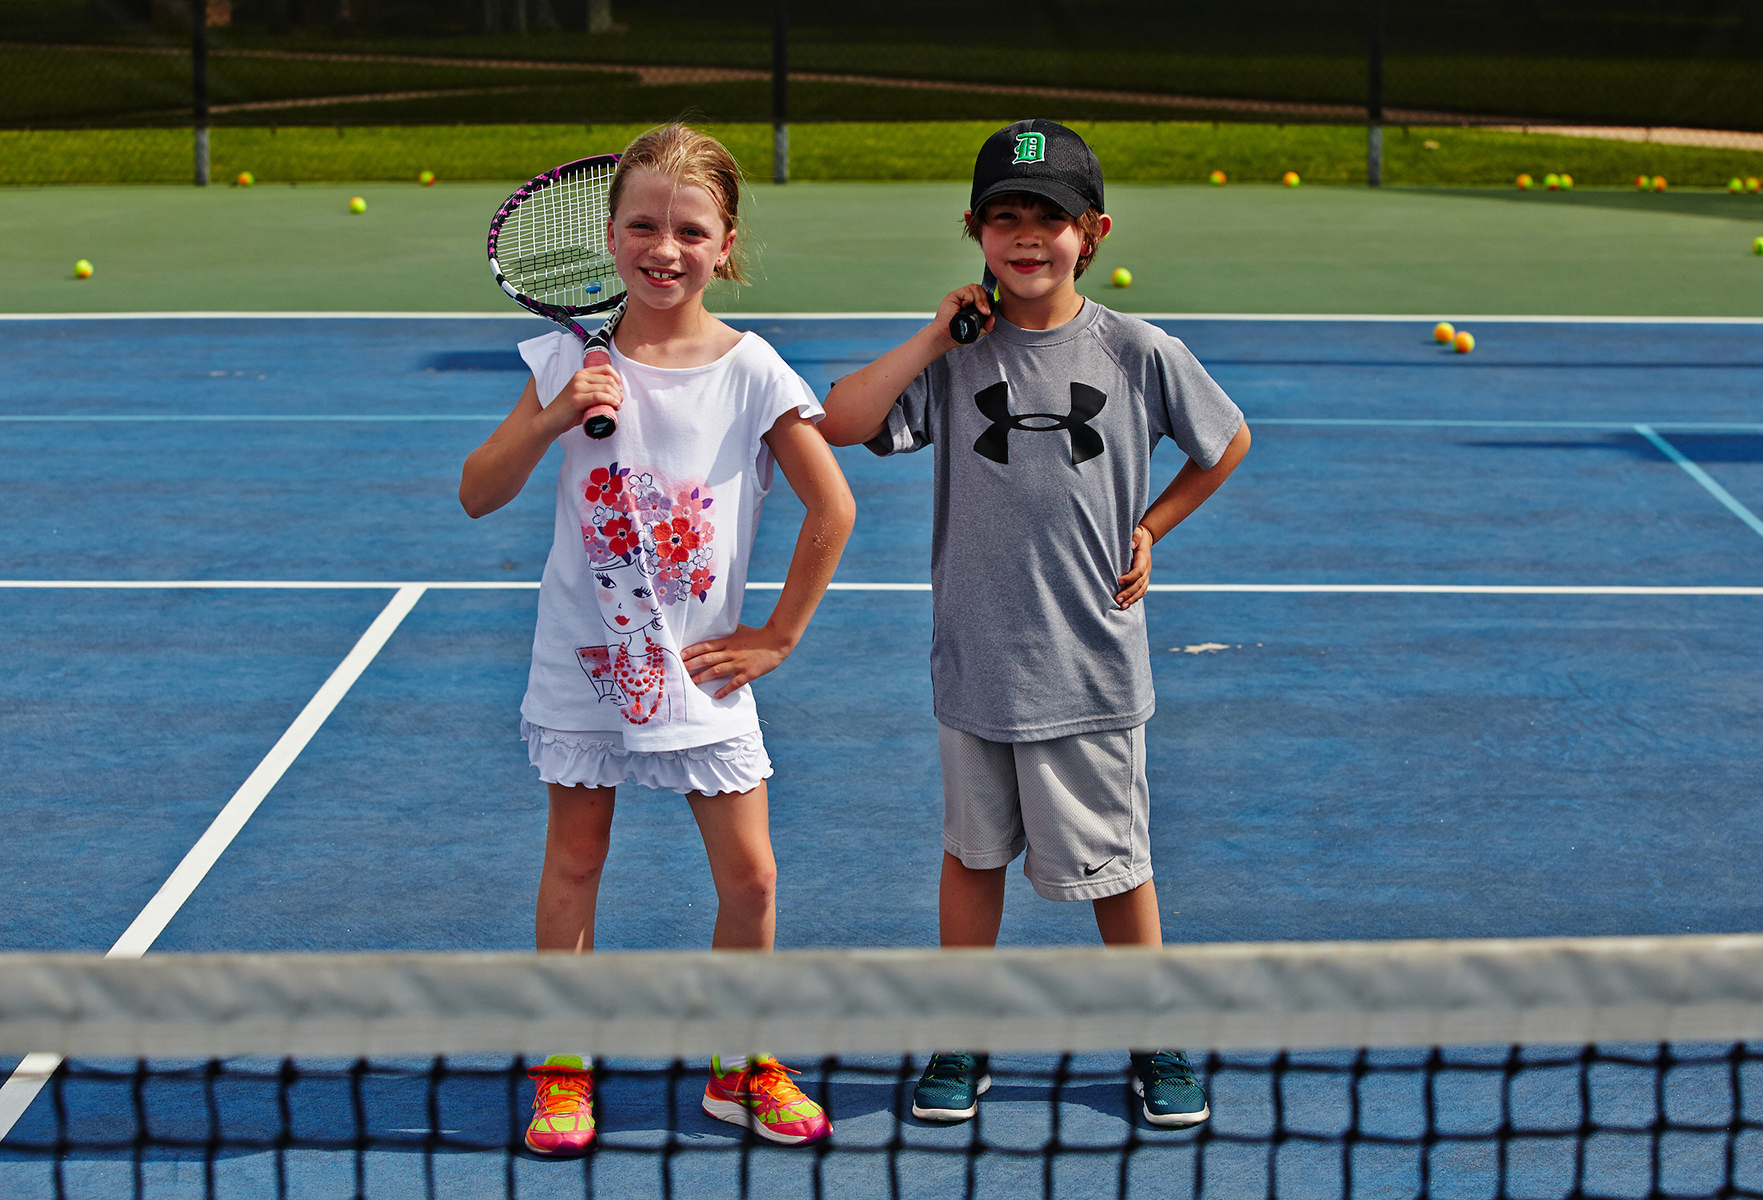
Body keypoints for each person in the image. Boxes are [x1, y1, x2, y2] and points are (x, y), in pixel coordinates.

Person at [817, 119, 1251, 1129]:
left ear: (1092, 233)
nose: (1026, 237)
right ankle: (963, 1037)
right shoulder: (956, 357)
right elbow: (841, 420)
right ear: (974, 230)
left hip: (1090, 666)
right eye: (1004, 217)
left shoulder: (1138, 350)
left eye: (1048, 219)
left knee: (1118, 867)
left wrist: (1152, 526)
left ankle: (1152, 1036)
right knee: (972, 857)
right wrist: (934, 336)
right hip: (976, 664)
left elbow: (1224, 441)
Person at [459, 123, 854, 1156]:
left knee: (752, 879)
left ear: (726, 245)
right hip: (586, 661)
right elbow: (477, 492)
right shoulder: (564, 359)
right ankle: (564, 1069)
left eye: (689, 230)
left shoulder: (754, 370)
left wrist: (778, 636)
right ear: (609, 235)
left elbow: (833, 508)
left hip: (700, 671)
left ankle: (739, 1064)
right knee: (575, 861)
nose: (663, 248)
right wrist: (551, 416)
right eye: (642, 226)